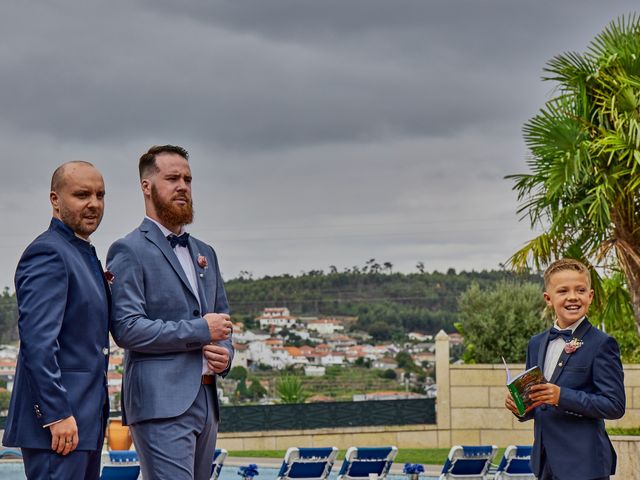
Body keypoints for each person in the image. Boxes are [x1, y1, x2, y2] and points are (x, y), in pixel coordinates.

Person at [107, 145, 234, 480]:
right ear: (146, 186)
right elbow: (127, 328)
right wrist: (200, 330)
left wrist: (226, 355)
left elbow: (223, 323)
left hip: (206, 401)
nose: (183, 186)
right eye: (173, 178)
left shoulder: (206, 253)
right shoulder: (128, 249)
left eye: (188, 179)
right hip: (159, 404)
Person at [2, 161, 110, 479]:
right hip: (59, 429)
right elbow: (38, 343)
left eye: (100, 195)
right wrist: (57, 413)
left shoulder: (81, 253)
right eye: (81, 194)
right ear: (55, 199)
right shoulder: (48, 253)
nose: (93, 203)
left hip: (85, 424)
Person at [505, 258, 625, 480]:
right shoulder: (536, 343)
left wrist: (562, 396)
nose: (572, 297)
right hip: (545, 463)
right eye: (563, 291)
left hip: (584, 465)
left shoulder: (602, 344)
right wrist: (519, 406)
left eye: (580, 290)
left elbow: (614, 405)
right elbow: (539, 405)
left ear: (590, 296)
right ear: (548, 299)